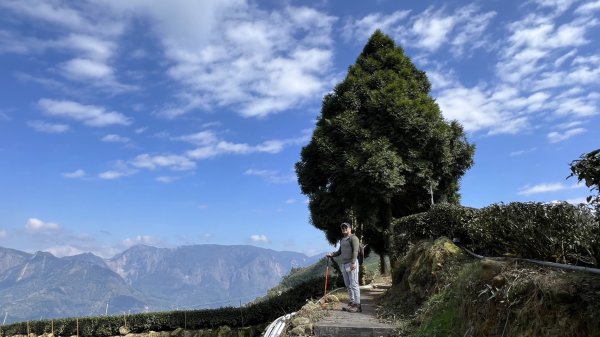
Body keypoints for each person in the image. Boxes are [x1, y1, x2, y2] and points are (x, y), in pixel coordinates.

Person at [326, 222, 361, 313]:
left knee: (354, 284)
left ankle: (358, 305)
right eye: (342, 228)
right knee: (348, 285)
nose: (344, 229)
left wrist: (353, 262)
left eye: (346, 227)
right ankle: (352, 302)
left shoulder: (353, 238)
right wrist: (332, 254)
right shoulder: (342, 240)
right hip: (344, 264)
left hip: (352, 263)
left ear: (350, 228)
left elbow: (355, 251)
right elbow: (339, 252)